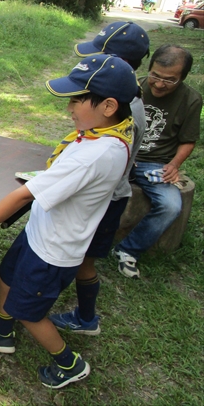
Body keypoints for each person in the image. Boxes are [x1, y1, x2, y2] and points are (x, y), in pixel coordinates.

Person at [0, 54, 139, 389]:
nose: (70, 107)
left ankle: (69, 363)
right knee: (7, 275)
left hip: (53, 251)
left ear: (108, 106)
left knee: (30, 313)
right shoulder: (107, 133)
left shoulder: (96, 153)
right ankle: (3, 334)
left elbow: (22, 196)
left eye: (78, 99)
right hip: (41, 232)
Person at [49, 21, 149, 334]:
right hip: (102, 191)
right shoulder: (127, 101)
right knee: (82, 259)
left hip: (106, 197)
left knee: (84, 261)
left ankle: (86, 318)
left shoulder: (127, 111)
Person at [113, 45, 202, 278]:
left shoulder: (191, 100)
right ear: (150, 68)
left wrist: (174, 165)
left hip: (155, 164)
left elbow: (188, 141)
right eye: (155, 76)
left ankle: (127, 250)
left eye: (169, 80)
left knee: (171, 205)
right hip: (122, 154)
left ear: (182, 78)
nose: (159, 84)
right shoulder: (133, 88)